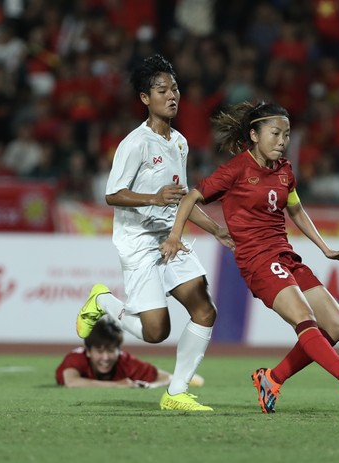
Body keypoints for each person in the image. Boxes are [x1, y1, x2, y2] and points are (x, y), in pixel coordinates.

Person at [160, 101, 339, 413]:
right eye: (275, 133)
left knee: (337, 325)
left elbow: (295, 208)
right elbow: (192, 196)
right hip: (258, 260)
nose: (282, 141)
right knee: (305, 319)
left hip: (286, 255)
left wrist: (324, 248)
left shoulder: (285, 170)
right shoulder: (235, 170)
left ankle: (272, 378)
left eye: (286, 135)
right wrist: (176, 235)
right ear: (255, 135)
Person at [76, 54, 234, 412]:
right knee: (155, 332)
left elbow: (181, 197)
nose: (172, 95)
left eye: (175, 88)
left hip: (169, 236)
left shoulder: (179, 142)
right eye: (162, 90)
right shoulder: (135, 143)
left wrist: (215, 229)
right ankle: (101, 301)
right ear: (146, 99)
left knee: (205, 311)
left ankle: (175, 393)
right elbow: (112, 194)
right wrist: (153, 196)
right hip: (137, 242)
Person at [56, 316, 205, 389]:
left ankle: (189, 377)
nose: (105, 358)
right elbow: (72, 382)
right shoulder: (76, 358)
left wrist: (149, 386)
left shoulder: (125, 362)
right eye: (99, 351)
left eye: (110, 350)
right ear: (88, 352)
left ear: (119, 350)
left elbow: (165, 377)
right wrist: (118, 385)